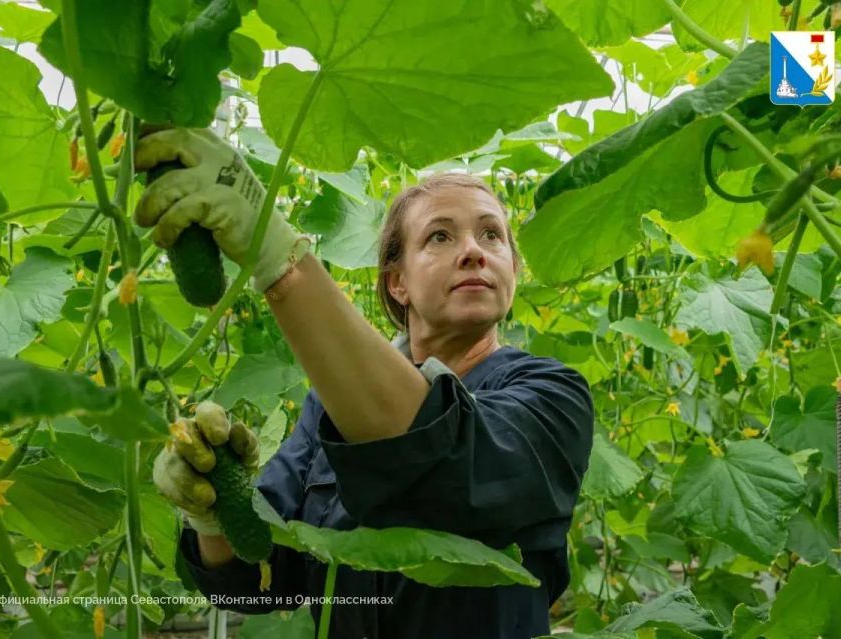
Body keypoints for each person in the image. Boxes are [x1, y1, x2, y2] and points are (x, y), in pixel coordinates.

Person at [145, 128, 594, 638]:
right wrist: (214, 514)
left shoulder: (553, 396)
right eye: (440, 236)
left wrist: (273, 253)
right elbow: (258, 581)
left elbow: (444, 454)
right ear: (396, 281)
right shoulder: (328, 409)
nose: (474, 251)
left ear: (513, 267)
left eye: (492, 235)